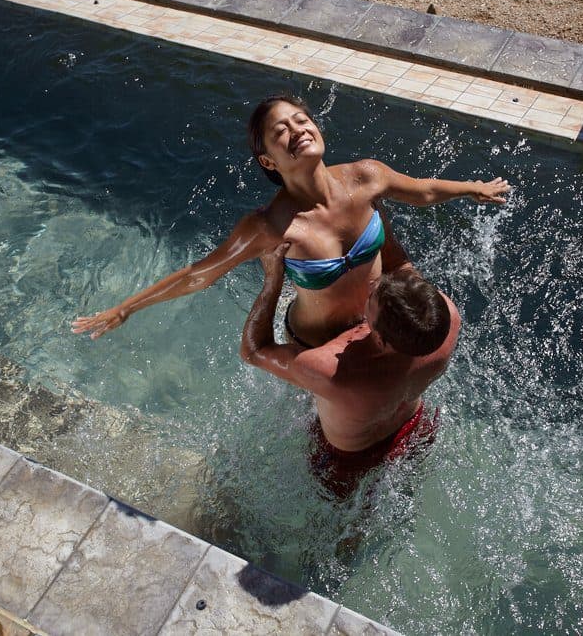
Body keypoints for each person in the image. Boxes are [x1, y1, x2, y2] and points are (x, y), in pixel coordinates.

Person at [72, 94, 509, 347]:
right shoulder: (269, 228)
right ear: (267, 159)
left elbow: (424, 191)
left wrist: (473, 187)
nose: (297, 128)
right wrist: (127, 307)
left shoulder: (366, 176)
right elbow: (197, 276)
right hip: (316, 346)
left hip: (381, 325)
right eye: (281, 129)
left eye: (301, 119)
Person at [240, 240, 460, 496]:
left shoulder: (333, 371)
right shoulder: (447, 319)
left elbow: (253, 351)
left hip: (348, 462)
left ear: (379, 338)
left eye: (371, 300)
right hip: (416, 430)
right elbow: (401, 265)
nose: (374, 286)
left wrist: (272, 278)